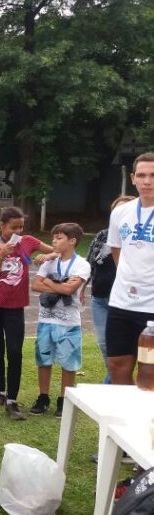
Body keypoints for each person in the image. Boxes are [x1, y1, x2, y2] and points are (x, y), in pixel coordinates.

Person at [0, 206, 53, 420]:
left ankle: (12, 400)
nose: (18, 232)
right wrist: (2, 255)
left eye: (21, 227)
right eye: (14, 228)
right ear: (1, 226)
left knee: (14, 351)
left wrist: (46, 257)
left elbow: (56, 251)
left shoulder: (28, 241)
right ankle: (0, 392)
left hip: (15, 307)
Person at [29, 223, 90, 416]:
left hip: (69, 322)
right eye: (53, 238)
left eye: (59, 238)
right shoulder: (49, 262)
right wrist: (57, 284)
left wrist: (47, 281)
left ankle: (64, 400)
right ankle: (43, 396)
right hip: (46, 320)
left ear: (72, 241)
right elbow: (35, 286)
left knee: (68, 363)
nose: (54, 241)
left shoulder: (82, 264)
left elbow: (69, 290)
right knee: (43, 360)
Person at [106, 153, 154, 385]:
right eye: (142, 175)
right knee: (117, 365)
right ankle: (123, 419)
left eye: (153, 175)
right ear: (133, 178)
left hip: (152, 305)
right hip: (122, 303)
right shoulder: (120, 212)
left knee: (150, 369)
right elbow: (116, 250)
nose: (147, 181)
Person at [85, 195, 134, 383]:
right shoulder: (102, 235)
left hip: (125, 300)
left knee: (129, 346)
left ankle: (113, 382)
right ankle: (113, 379)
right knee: (105, 345)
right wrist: (82, 285)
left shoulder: (138, 236)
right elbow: (90, 261)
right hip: (100, 298)